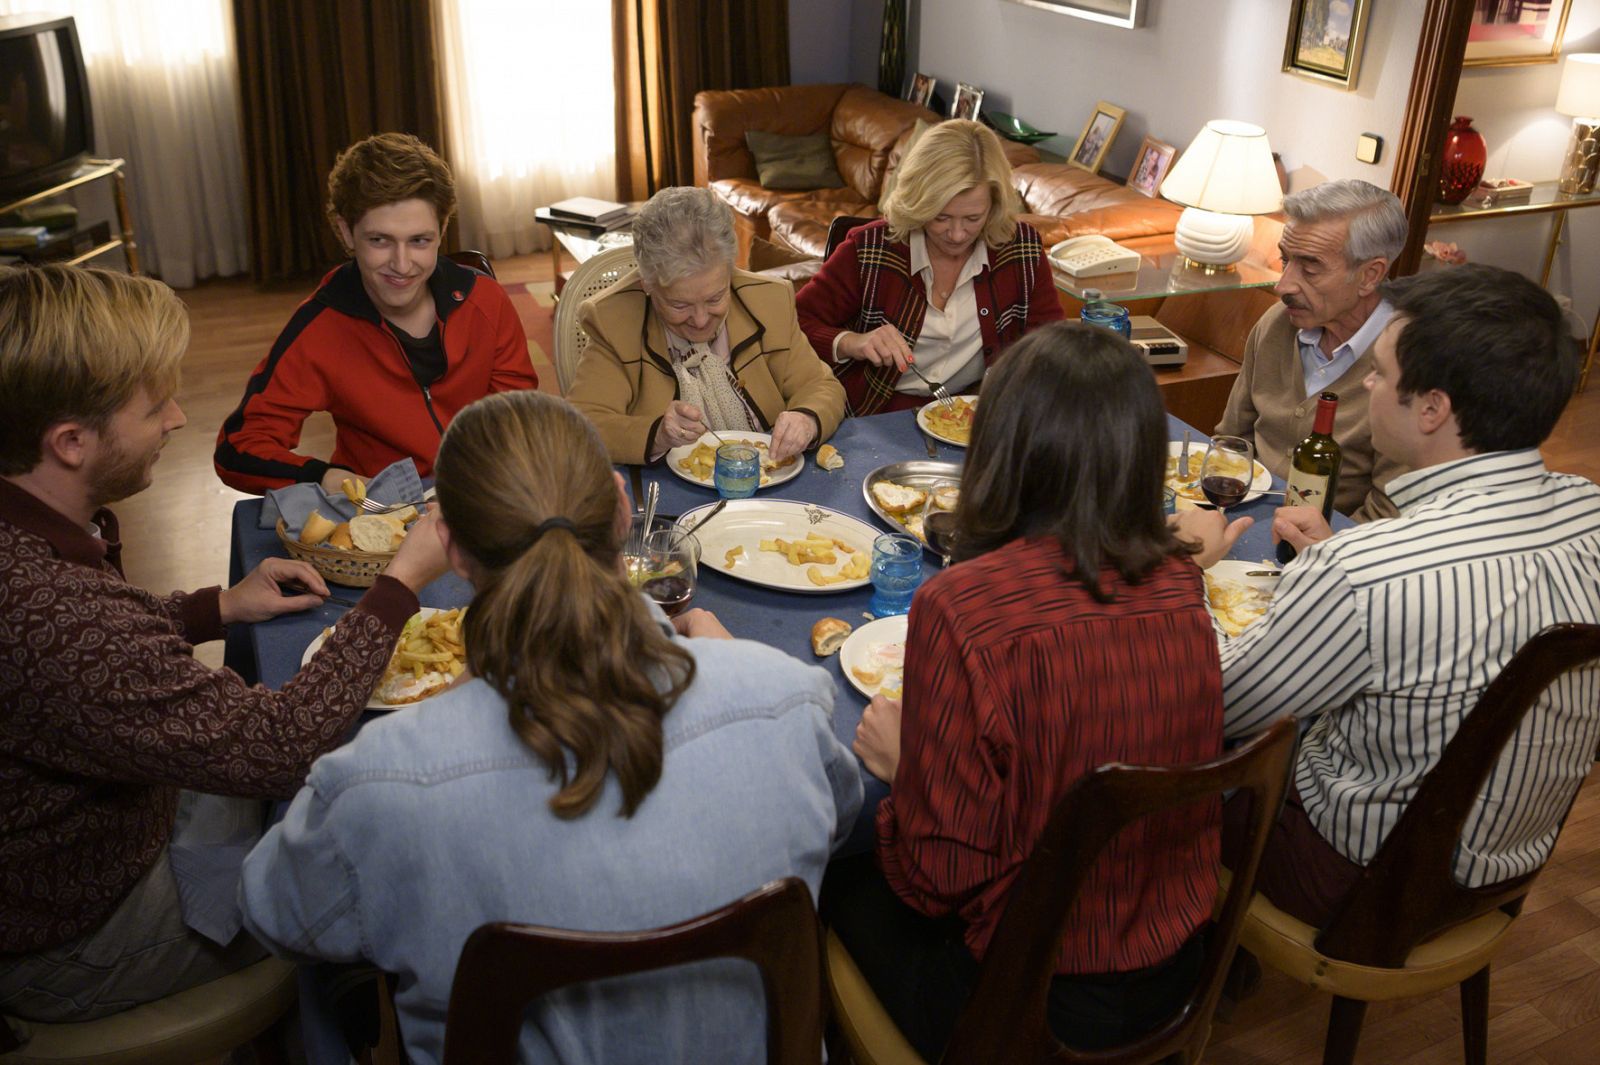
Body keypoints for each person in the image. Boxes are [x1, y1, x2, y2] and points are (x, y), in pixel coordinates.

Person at [240, 390, 862, 1064]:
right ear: (623, 508)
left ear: (449, 547)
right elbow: (837, 820)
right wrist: (732, 664)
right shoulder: (787, 698)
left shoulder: (379, 781)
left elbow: (275, 911)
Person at [0, 265, 447, 1022]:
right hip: (76, 932)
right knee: (401, 871)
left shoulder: (35, 538)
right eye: (155, 405)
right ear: (71, 442)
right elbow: (277, 744)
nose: (177, 417)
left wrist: (215, 607)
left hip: (106, 826)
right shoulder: (48, 611)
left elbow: (92, 650)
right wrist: (401, 582)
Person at [830, 321, 1222, 1060]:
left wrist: (905, 767)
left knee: (830, 875)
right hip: (1173, 973)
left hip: (1024, 1009)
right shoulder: (1181, 583)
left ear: (1000, 447)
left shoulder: (964, 607)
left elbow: (937, 877)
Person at [1181, 264, 1599, 929]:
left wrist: (1186, 573)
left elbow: (1218, 699)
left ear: (1432, 408)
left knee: (1147, 758)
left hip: (1359, 877)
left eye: (1378, 374)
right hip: (1508, 860)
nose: (1368, 386)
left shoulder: (1367, 569)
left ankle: (1169, 972)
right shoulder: (1592, 514)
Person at [213, 132, 536, 495]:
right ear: (346, 232)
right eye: (379, 240)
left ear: (443, 231)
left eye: (419, 241)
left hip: (485, 495)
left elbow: (516, 417)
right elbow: (236, 449)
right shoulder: (320, 328)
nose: (402, 265)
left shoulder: (486, 300)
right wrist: (327, 477)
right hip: (381, 514)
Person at [796, 119, 1063, 416]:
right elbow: (795, 324)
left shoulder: (1021, 249)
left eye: (973, 218)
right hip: (873, 414)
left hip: (974, 418)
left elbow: (1050, 345)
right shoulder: (869, 249)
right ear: (918, 203)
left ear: (995, 206)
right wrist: (853, 343)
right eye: (941, 217)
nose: (957, 234)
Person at [566, 186, 846, 465]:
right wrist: (657, 434)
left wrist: (807, 418)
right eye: (679, 305)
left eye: (715, 298)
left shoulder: (769, 301)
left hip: (768, 483)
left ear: (730, 272)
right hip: (667, 493)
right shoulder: (613, 321)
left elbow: (821, 386)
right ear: (647, 285)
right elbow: (582, 425)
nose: (700, 320)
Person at [1216, 178, 1409, 521]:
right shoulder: (1277, 323)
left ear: (1370, 275)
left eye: (1310, 267)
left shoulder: (1411, 364)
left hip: (1336, 550)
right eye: (1285, 260)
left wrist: (1316, 558)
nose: (1283, 285)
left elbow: (1389, 514)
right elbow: (1231, 441)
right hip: (1244, 517)